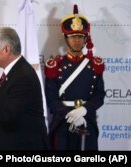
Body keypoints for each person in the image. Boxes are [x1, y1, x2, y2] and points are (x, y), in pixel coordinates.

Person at [44, 5, 105, 150]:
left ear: (85, 39)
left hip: (87, 119)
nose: (76, 40)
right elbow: (50, 98)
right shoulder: (55, 65)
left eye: (80, 37)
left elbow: (99, 94)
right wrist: (70, 113)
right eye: (72, 37)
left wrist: (84, 110)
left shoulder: (94, 64)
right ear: (66, 38)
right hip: (63, 122)